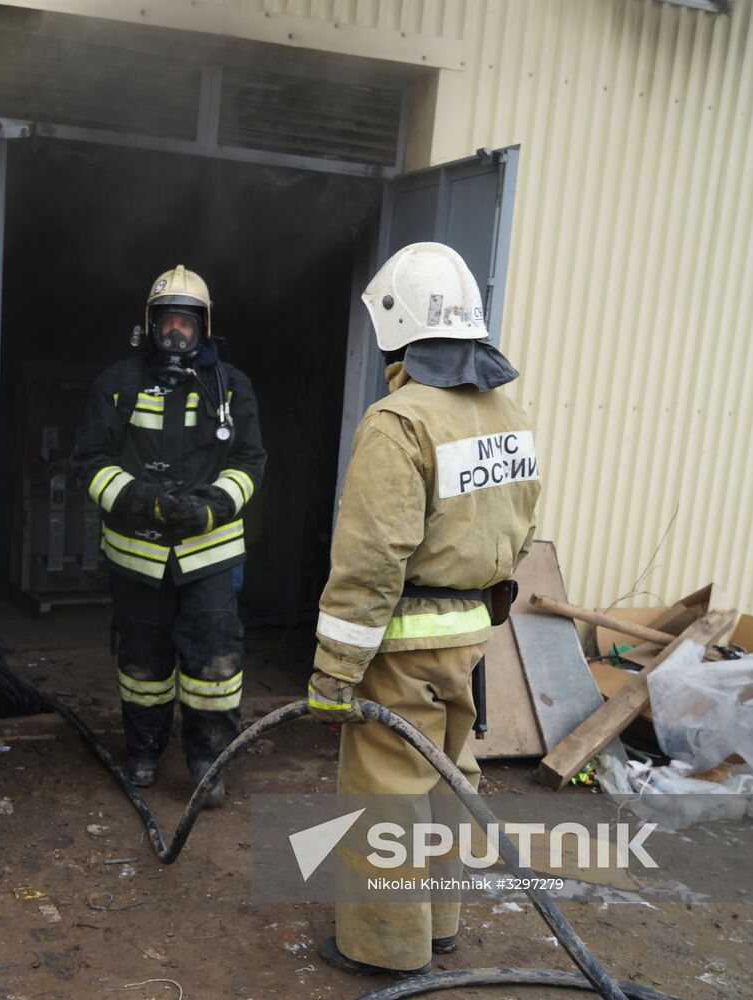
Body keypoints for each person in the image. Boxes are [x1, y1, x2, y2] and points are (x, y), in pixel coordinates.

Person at [306, 243, 540, 978]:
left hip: (400, 645)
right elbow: (519, 526)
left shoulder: (398, 420)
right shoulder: (510, 412)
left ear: (397, 326)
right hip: (472, 635)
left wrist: (333, 672)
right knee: (449, 780)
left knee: (387, 793)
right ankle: (439, 925)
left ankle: (382, 949)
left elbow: (373, 558)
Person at [72, 265, 266, 805]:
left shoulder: (232, 388)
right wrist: (138, 500)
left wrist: (216, 506)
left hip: (210, 555)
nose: (176, 333)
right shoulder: (117, 385)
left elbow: (251, 460)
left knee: (213, 665)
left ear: (204, 327)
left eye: (186, 322)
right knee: (142, 663)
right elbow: (90, 461)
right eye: (167, 322)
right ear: (150, 324)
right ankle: (145, 750)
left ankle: (209, 760)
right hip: (138, 558)